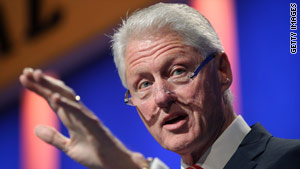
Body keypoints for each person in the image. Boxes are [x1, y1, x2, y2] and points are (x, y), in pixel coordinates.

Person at [19, 2, 300, 169]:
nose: (162, 98)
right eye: (143, 84)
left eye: (178, 71)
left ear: (222, 71)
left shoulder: (288, 160)